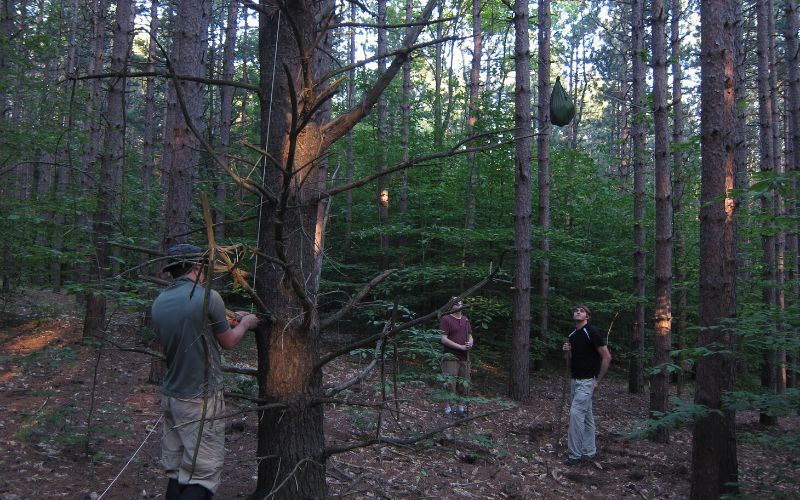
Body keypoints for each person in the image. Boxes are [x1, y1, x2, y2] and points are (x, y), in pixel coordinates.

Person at [151, 244, 260, 500]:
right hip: (199, 400)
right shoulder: (207, 297)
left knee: (178, 470)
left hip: (172, 396)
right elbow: (229, 341)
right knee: (202, 475)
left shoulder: (160, 301)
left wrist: (230, 319)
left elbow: (193, 327)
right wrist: (245, 323)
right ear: (197, 267)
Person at [561, 304, 612, 465]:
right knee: (587, 417)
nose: (578, 311)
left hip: (587, 382)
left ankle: (575, 455)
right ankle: (589, 451)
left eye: (582, 311)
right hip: (575, 381)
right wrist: (566, 352)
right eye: (576, 310)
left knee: (576, 415)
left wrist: (597, 380)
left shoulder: (591, 332)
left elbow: (607, 357)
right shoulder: (572, 334)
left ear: (587, 316)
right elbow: (569, 362)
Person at [440, 297, 474, 418]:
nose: (459, 304)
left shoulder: (465, 320)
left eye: (460, 302)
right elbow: (443, 339)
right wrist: (459, 347)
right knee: (450, 383)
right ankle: (448, 409)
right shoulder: (446, 319)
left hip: (465, 357)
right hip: (450, 357)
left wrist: (471, 342)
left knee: (464, 384)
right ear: (451, 305)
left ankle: (460, 408)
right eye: (455, 302)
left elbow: (470, 335)